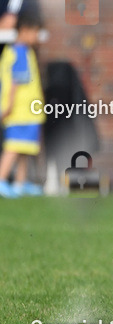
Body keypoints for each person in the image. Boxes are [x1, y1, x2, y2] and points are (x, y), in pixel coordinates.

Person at [0, 14, 45, 198]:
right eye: (35, 32)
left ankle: (20, 183)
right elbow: (14, 84)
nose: (37, 37)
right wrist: (8, 107)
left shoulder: (26, 51)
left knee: (25, 148)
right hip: (19, 111)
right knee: (13, 147)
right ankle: (2, 179)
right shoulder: (18, 52)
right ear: (24, 31)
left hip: (29, 111)